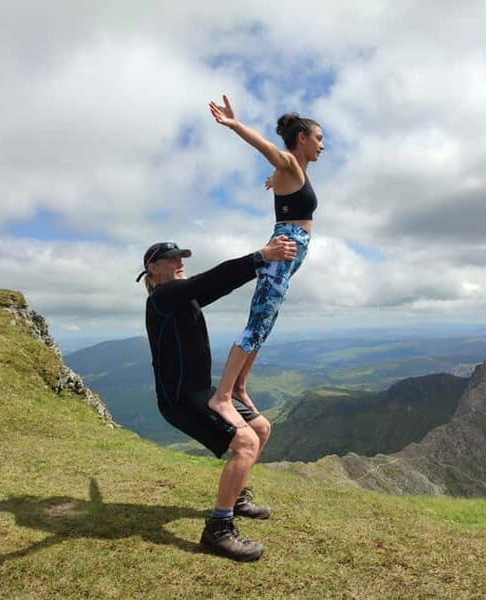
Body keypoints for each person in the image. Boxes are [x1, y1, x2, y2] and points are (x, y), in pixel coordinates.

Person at [137, 235, 297, 562]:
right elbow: (212, 279)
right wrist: (260, 256)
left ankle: (235, 498)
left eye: (182, 257)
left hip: (204, 393)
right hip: (181, 400)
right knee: (246, 444)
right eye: (171, 259)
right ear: (152, 268)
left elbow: (219, 286)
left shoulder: (181, 298)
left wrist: (262, 267)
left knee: (261, 428)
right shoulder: (163, 298)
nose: (180, 262)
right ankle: (218, 530)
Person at [207, 94, 324, 429]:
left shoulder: (291, 171)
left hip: (288, 261)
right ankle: (222, 395)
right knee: (256, 323)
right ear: (301, 138)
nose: (321, 146)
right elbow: (264, 148)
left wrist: (275, 182)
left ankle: (240, 387)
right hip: (280, 255)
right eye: (318, 139)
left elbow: (286, 189)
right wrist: (234, 125)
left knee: (265, 325)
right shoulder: (288, 161)